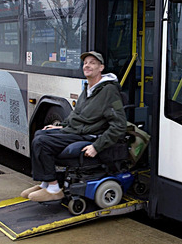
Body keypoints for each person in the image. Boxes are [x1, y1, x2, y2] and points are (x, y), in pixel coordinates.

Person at [21, 51, 127, 202]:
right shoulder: (89, 88)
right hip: (77, 130)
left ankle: (54, 189)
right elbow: (76, 115)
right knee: (39, 134)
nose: (87, 66)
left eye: (92, 63)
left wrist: (96, 146)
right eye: (85, 63)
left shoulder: (109, 91)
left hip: (89, 135)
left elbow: (119, 125)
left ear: (101, 67)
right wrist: (61, 127)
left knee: (42, 142)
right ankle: (46, 183)